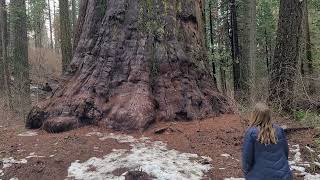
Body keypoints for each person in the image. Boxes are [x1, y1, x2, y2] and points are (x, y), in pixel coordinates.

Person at [242, 103, 292, 180]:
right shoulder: (279, 130)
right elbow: (285, 153)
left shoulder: (251, 133)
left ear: (255, 115)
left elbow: (247, 159)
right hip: (283, 175)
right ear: (269, 115)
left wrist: (247, 173)